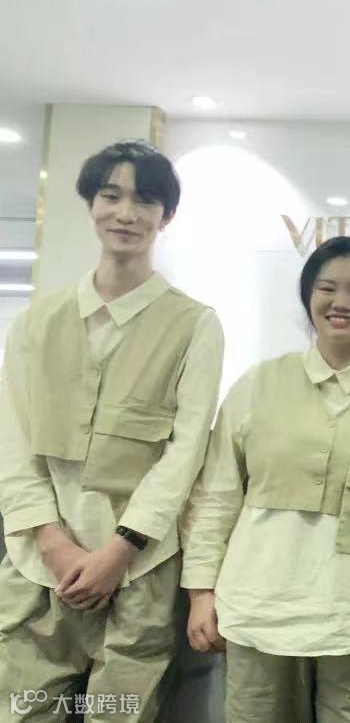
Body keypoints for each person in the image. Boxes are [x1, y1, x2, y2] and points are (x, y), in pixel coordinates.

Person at [0, 140, 225, 721]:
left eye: (144, 200)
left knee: (119, 713)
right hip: (37, 565)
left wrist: (119, 551)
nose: (126, 213)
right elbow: (14, 442)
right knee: (24, 709)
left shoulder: (194, 325)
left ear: (165, 216)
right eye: (111, 195)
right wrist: (52, 542)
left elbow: (185, 452)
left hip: (140, 567)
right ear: (90, 205)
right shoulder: (35, 323)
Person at [180, 236, 350, 722]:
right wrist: (201, 592)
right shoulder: (258, 383)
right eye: (327, 288)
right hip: (260, 608)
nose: (341, 302)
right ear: (308, 297)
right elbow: (216, 495)